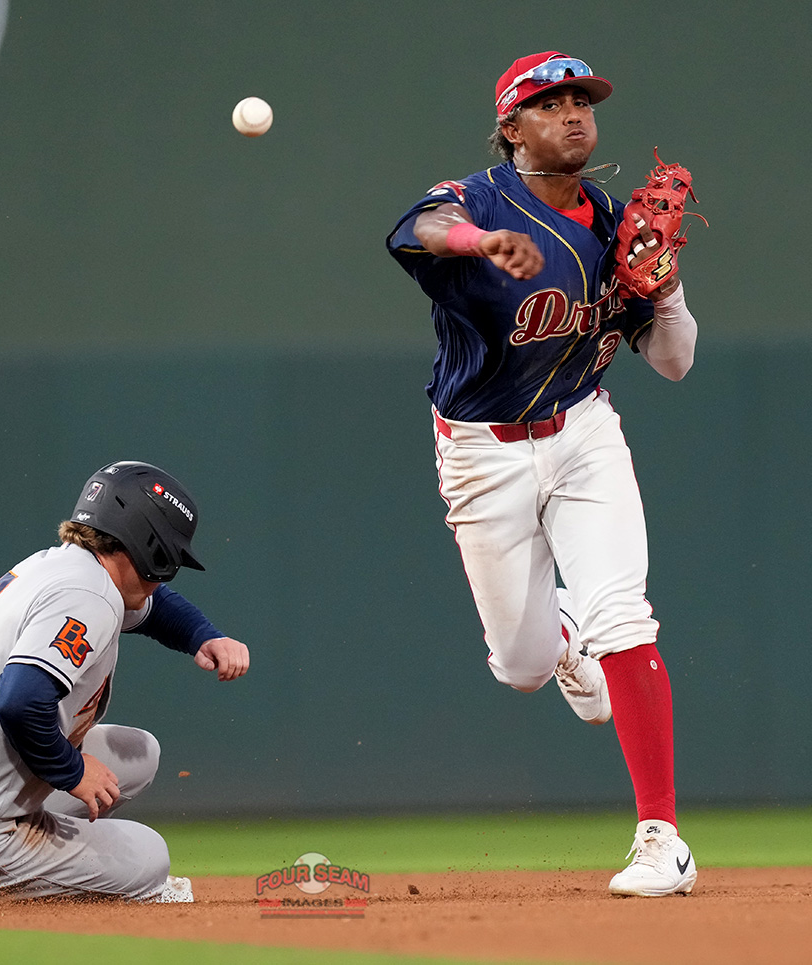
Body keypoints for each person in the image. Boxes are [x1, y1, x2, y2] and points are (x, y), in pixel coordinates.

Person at [386, 51, 699, 897]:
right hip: (483, 448)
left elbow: (672, 364)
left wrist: (665, 290)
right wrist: (477, 241)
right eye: (548, 103)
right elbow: (413, 230)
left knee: (623, 613)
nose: (572, 115)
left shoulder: (614, 221)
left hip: (584, 429)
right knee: (521, 664)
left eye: (581, 101)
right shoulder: (477, 201)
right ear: (511, 128)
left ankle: (660, 832)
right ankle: (560, 642)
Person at [0, 460, 250, 904]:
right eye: (169, 556)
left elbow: (152, 608)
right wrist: (74, 771)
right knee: (149, 862)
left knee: (138, 755)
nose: (166, 573)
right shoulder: (89, 595)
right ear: (148, 546)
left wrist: (204, 635)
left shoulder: (59, 565)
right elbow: (20, 700)